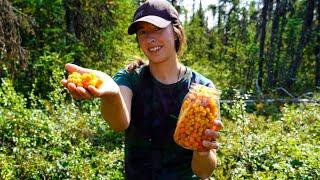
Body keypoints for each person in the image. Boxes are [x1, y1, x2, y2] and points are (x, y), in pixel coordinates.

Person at [62, 0, 223, 179]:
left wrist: (202, 151)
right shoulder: (130, 78)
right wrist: (112, 95)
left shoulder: (203, 91)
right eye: (143, 32)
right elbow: (118, 123)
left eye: (157, 28)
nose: (150, 38)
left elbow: (204, 172)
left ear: (176, 31)